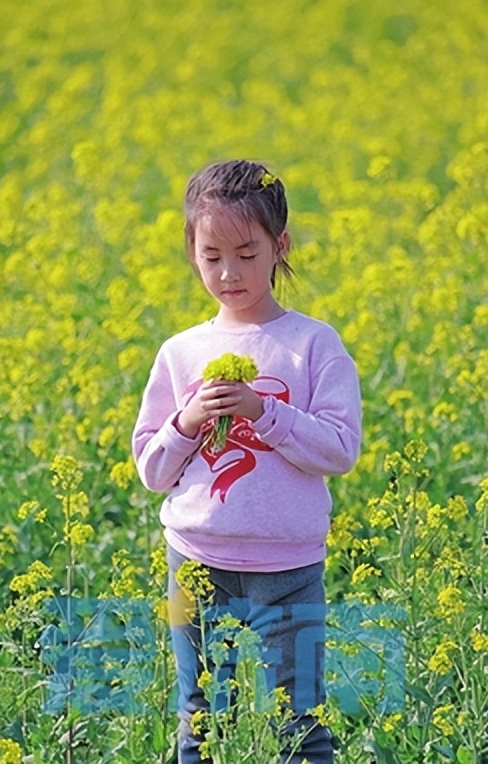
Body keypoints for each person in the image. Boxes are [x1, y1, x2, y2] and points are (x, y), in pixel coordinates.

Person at [131, 159, 363, 764]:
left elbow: (340, 449)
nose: (229, 272)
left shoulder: (313, 344)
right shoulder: (181, 353)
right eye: (211, 256)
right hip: (196, 562)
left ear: (279, 246)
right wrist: (186, 422)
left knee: (300, 724)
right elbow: (153, 471)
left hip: (288, 569)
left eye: (247, 252)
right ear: (191, 252)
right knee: (200, 723)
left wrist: (264, 412)